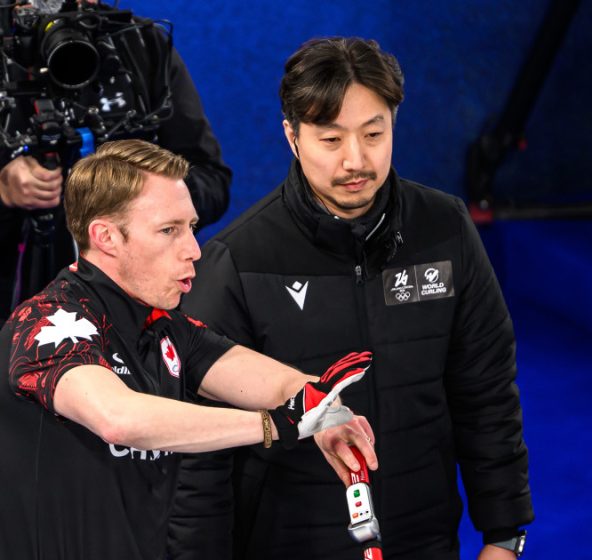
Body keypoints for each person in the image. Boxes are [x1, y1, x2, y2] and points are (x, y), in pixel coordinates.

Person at [169, 37, 533, 560]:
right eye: (331, 139)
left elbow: (487, 393)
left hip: (425, 539)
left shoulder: (446, 229)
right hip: (289, 544)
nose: (355, 160)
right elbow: (198, 453)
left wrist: (504, 535)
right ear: (292, 137)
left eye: (374, 134)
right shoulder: (238, 261)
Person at [0, 139, 377, 560]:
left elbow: (280, 385)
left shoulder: (166, 328)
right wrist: (275, 425)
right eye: (169, 230)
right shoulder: (46, 323)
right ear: (106, 237)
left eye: (191, 227)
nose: (194, 250)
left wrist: (329, 413)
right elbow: (119, 419)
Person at [0, 0, 231, 321]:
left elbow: (212, 183)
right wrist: (4, 193)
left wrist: (147, 197)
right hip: (16, 303)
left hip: (140, 314)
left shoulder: (139, 44)